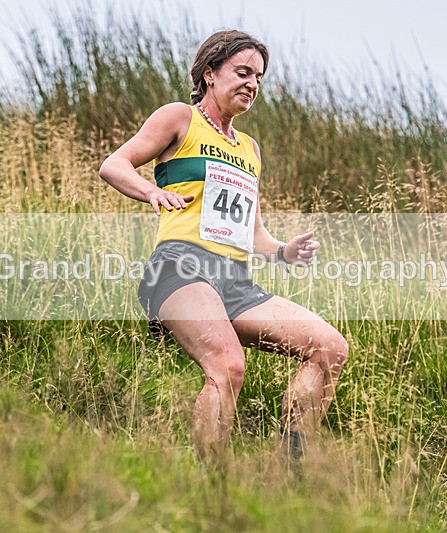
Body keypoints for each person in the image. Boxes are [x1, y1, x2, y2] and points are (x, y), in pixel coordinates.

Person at [99, 30, 348, 462]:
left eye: (259, 77)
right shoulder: (180, 118)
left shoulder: (250, 149)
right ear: (210, 74)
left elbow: (252, 234)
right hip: (181, 268)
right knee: (229, 368)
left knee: (330, 347)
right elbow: (113, 164)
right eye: (243, 71)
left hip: (235, 280)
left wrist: (285, 252)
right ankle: (210, 482)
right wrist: (150, 192)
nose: (253, 83)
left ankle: (290, 462)